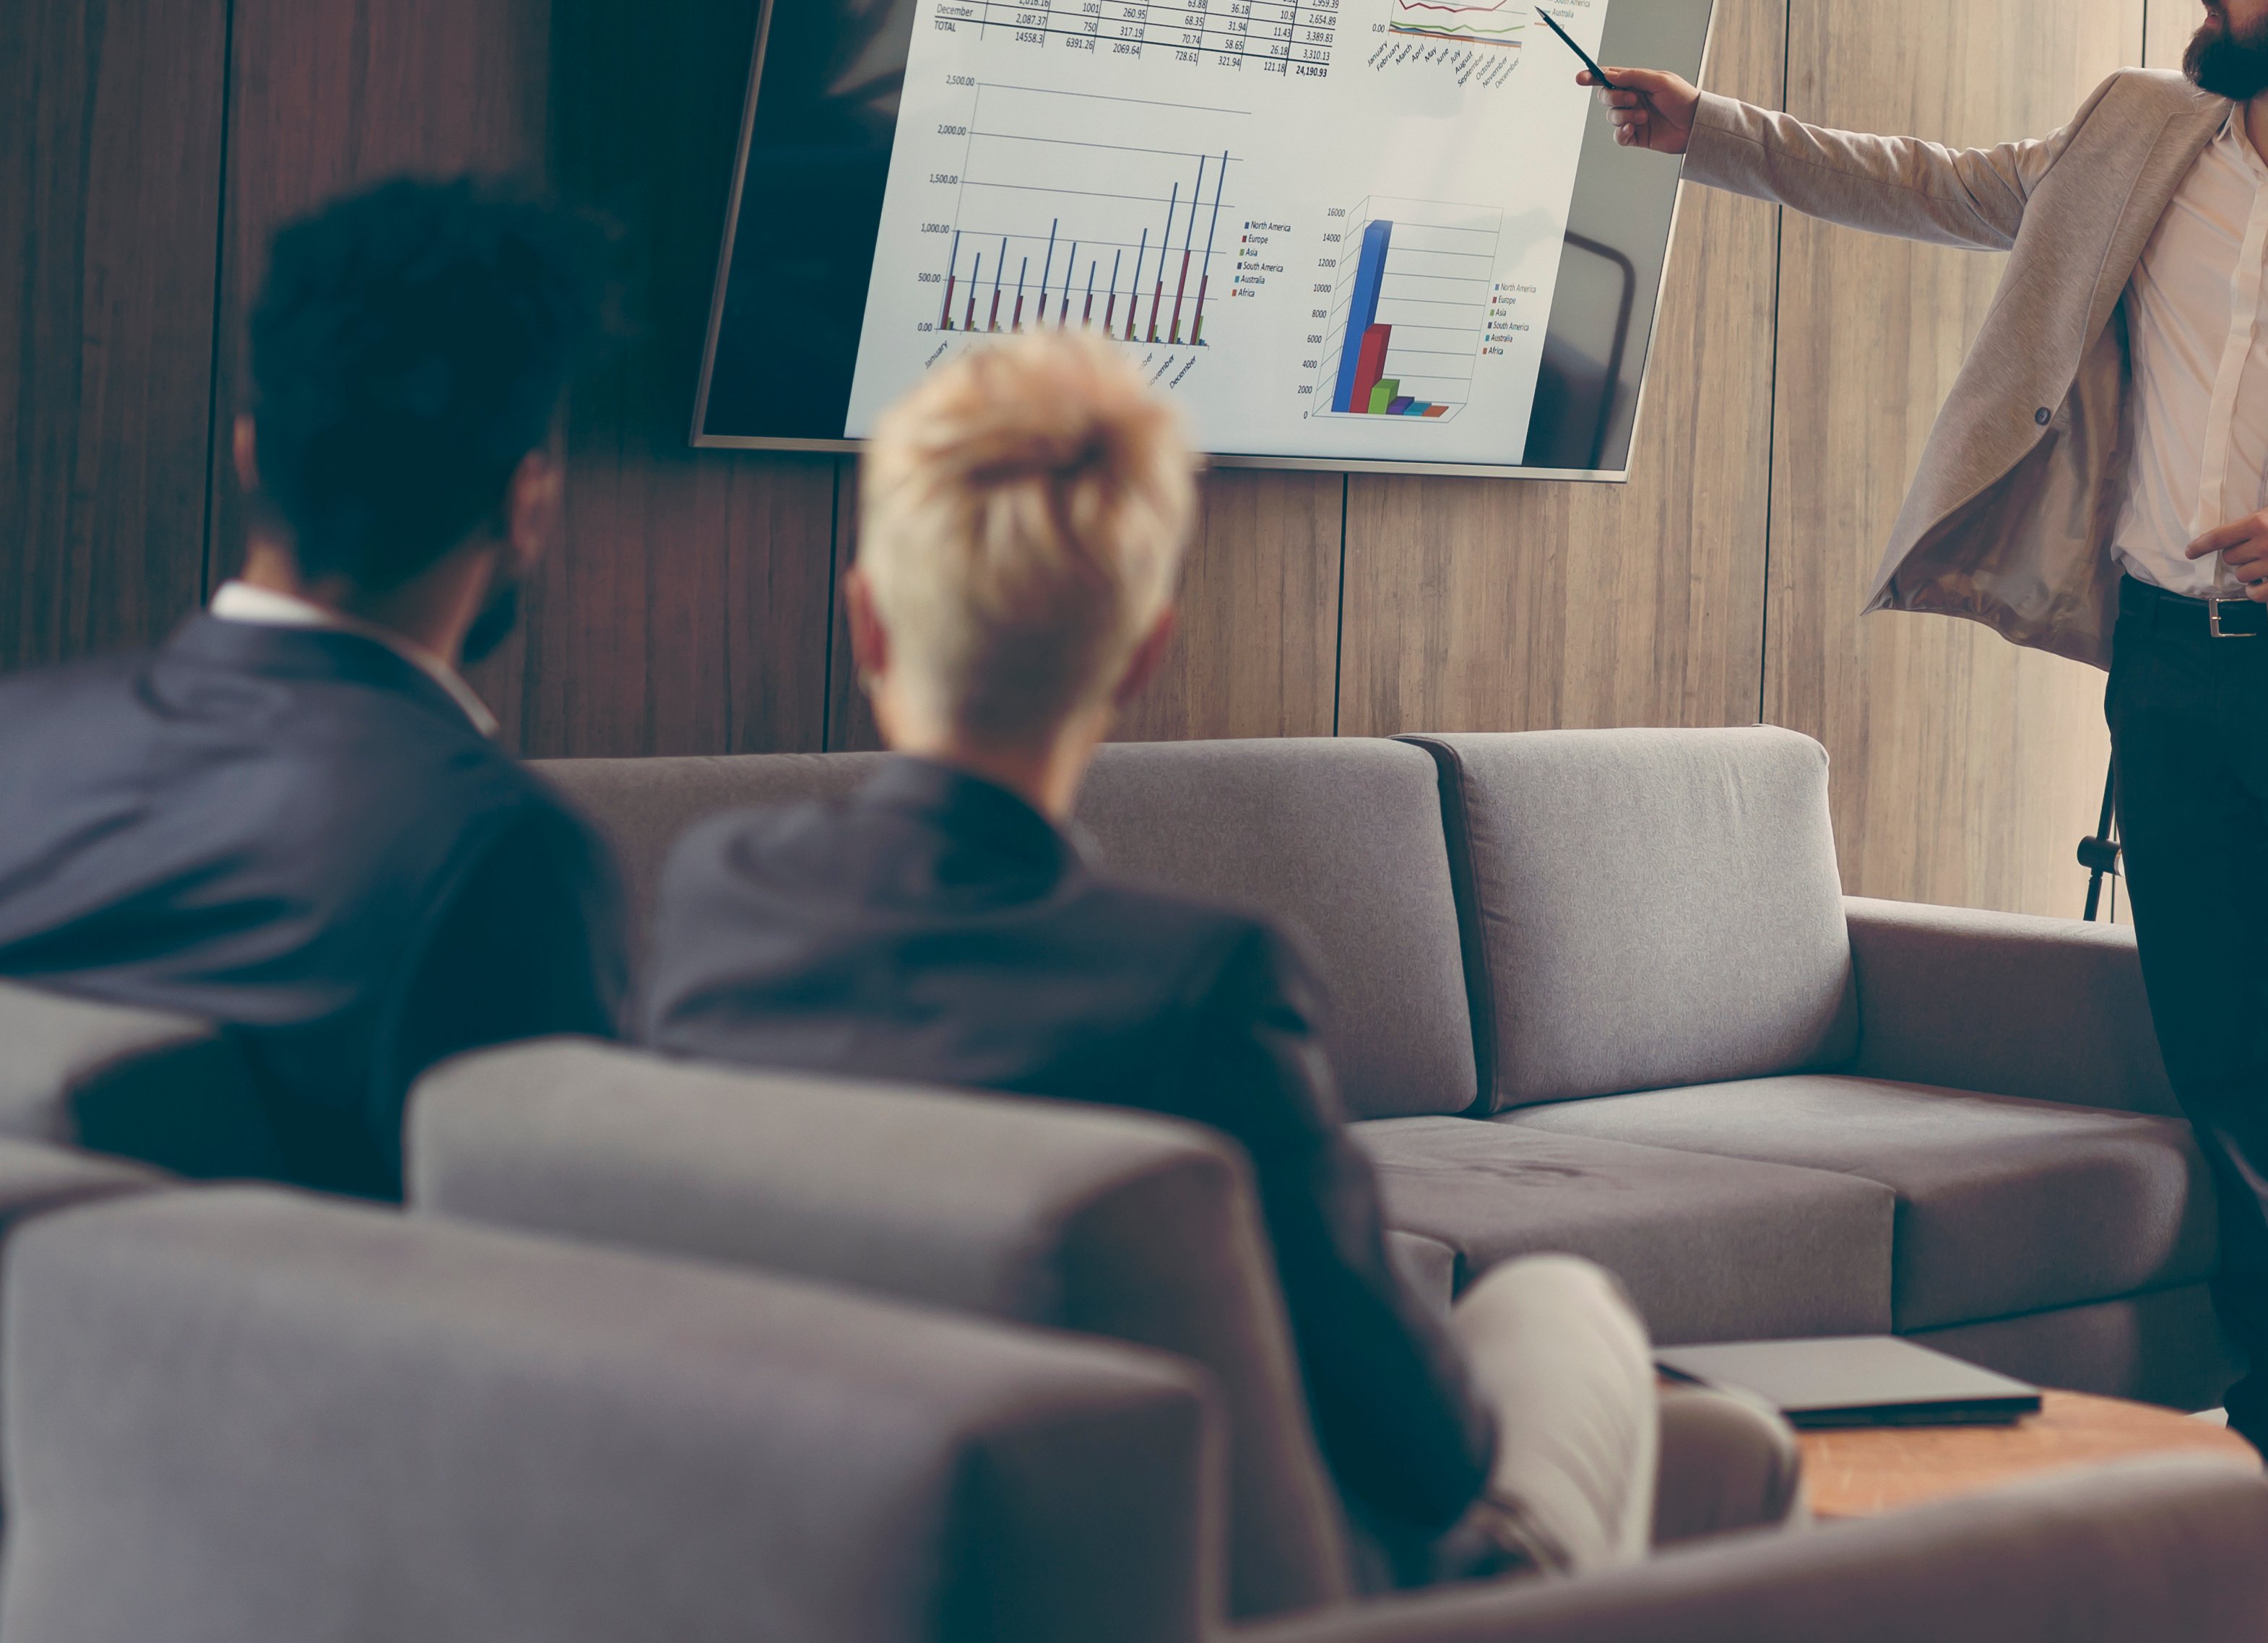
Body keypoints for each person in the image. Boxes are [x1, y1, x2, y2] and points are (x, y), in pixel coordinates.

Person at [1583, 0, 2268, 1577]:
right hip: (2170, 669)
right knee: (2233, 1074)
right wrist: (1704, 128)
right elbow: (1936, 182)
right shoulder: (2134, 133)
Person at [641, 329, 1717, 1590]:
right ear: (1144, 652)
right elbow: (1427, 1454)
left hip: (852, 1558)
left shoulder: (717, 897)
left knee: (1729, 1451)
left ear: (868, 620)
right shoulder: (1197, 985)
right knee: (1563, 1308)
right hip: (1265, 1596)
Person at [0, 175, 626, 1198]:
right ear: (526, 503)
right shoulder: (495, 850)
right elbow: (556, 1254)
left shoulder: (16, 735)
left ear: (249, 452)